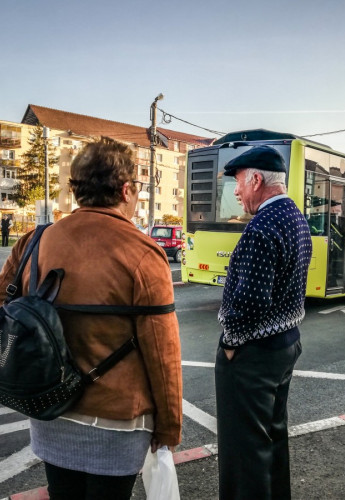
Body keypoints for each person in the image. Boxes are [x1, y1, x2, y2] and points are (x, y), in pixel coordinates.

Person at [0, 138, 182, 500]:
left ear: (77, 188)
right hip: (117, 420)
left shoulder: (34, 242)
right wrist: (170, 425)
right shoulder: (143, 252)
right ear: (127, 189)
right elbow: (163, 353)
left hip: (49, 407)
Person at [215, 145, 313, 500]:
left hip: (252, 356)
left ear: (256, 179)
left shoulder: (261, 227)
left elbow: (251, 301)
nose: (237, 192)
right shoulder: (295, 218)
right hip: (284, 344)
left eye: (239, 183)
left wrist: (229, 343)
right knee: (272, 439)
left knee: (244, 452)